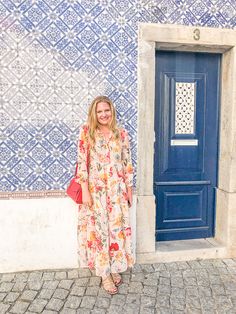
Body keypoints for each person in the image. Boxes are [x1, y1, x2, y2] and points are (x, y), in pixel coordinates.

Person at [76, 95, 134, 294]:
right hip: (96, 192)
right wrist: (85, 191)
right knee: (100, 232)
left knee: (115, 231)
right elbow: (81, 163)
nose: (103, 114)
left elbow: (127, 163)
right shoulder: (87, 133)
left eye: (106, 110)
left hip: (117, 191)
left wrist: (129, 189)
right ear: (94, 113)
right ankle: (104, 273)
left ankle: (114, 266)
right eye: (99, 111)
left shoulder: (121, 133)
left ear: (112, 111)